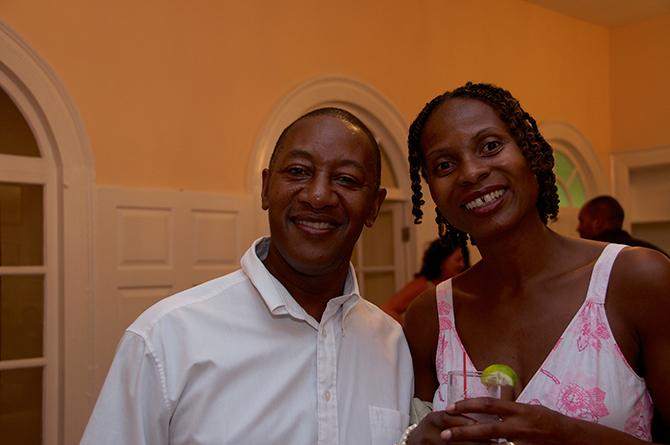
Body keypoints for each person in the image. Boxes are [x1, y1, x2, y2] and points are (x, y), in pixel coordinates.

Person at [80, 107, 414, 445]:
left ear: (374, 206)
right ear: (267, 188)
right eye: (298, 171)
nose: (318, 196)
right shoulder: (166, 338)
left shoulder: (393, 346)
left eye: (346, 179)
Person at [399, 82, 670, 444]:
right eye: (445, 164)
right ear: (431, 189)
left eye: (490, 146)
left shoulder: (635, 280)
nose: (471, 172)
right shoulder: (429, 317)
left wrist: (566, 433)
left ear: (530, 153)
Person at [381, 239, 467, 325]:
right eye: (458, 260)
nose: (462, 265)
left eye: (464, 261)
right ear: (442, 260)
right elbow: (387, 309)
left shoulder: (455, 287)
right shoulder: (423, 285)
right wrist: (409, 335)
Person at [578, 195, 669, 257]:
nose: (578, 228)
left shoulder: (591, 256)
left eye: (581, 221)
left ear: (598, 221)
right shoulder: (653, 253)